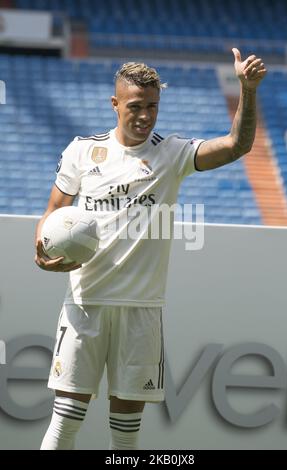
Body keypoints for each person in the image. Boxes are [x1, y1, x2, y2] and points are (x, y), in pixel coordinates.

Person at [35, 49, 267, 450]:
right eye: (136, 106)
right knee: (64, 426)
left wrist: (246, 89)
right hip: (84, 304)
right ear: (115, 104)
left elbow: (236, 145)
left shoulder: (172, 153)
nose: (145, 116)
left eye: (153, 107)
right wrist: (41, 247)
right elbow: (54, 210)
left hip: (142, 311)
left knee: (125, 437)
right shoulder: (82, 151)